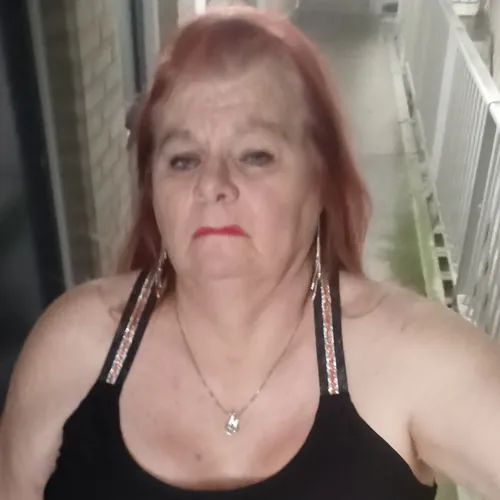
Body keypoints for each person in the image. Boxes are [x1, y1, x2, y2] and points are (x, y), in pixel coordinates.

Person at [1, 6, 500, 500]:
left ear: (320, 179)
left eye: (255, 155)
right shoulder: (73, 349)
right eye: (183, 160)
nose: (212, 184)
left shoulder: (408, 360)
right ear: (152, 189)